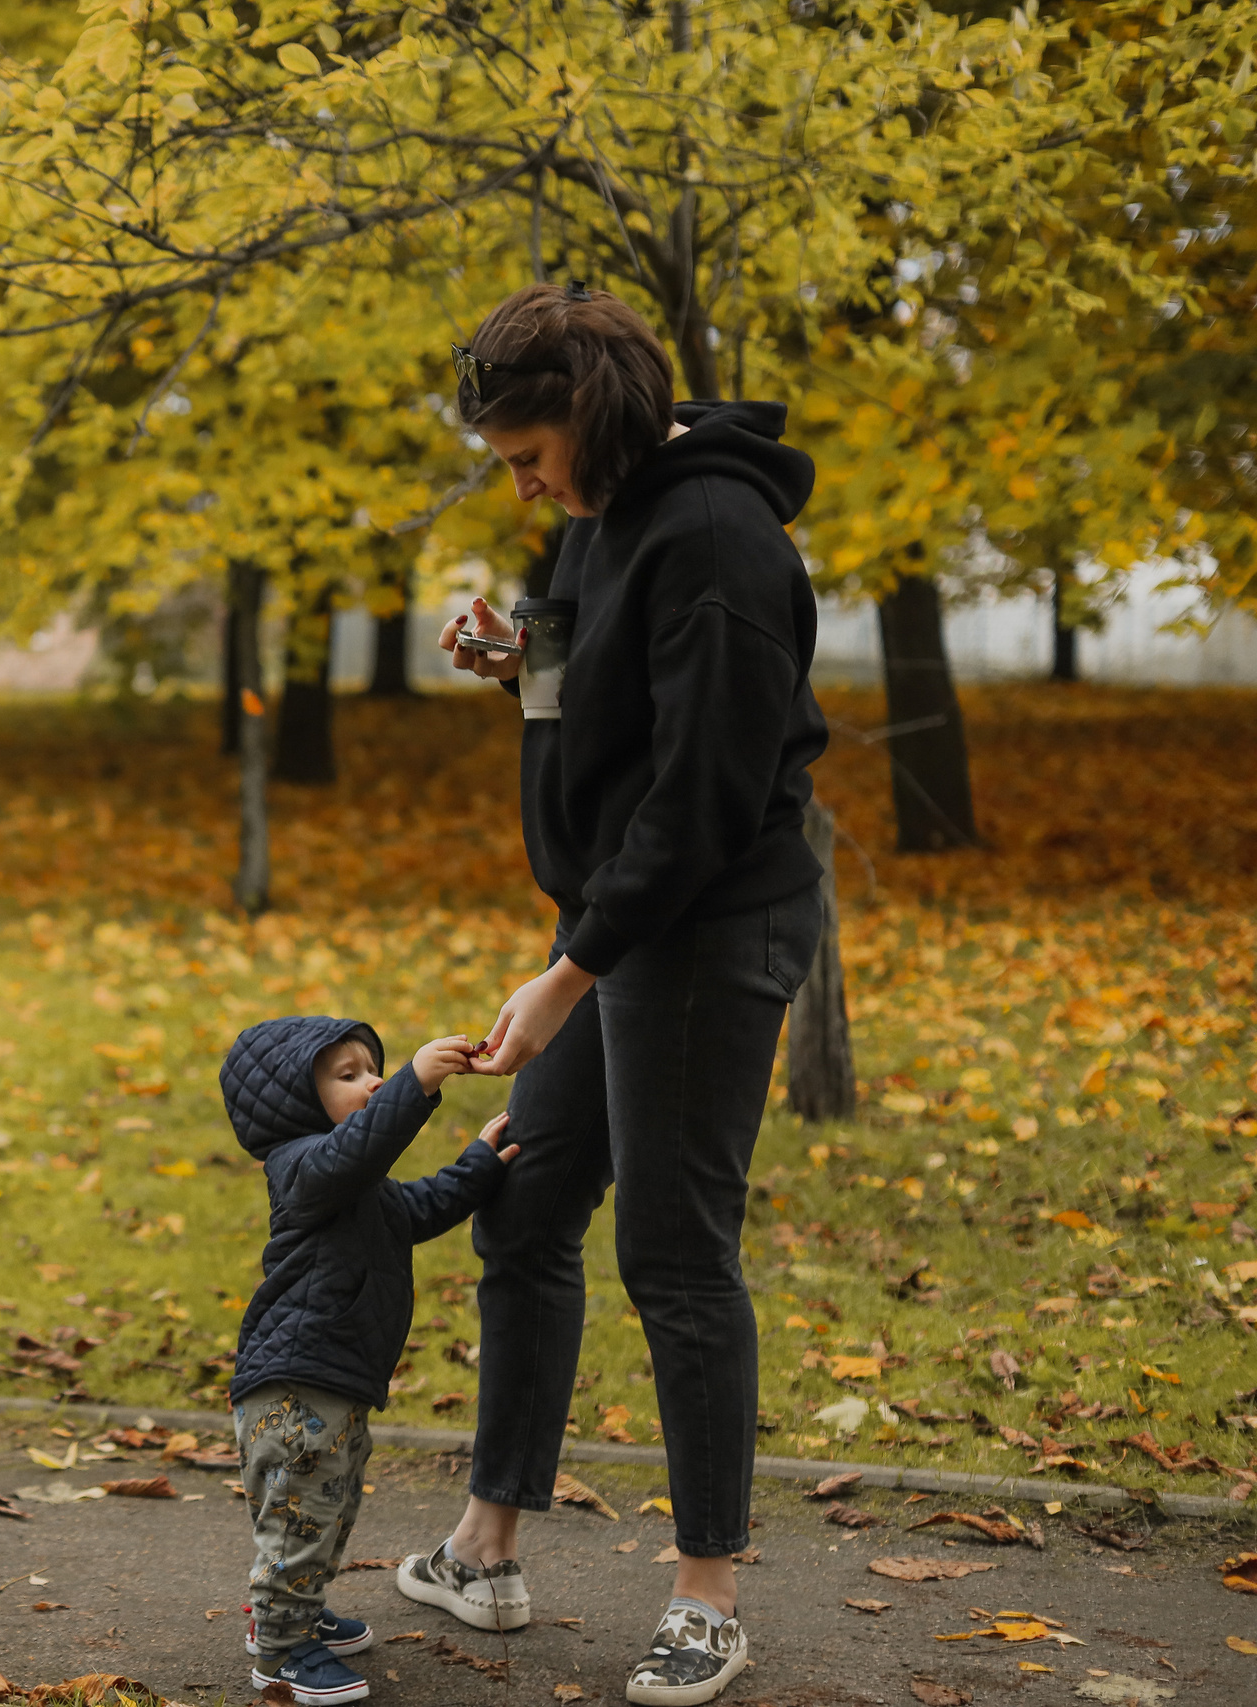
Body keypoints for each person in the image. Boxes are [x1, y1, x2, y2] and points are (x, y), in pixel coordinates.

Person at [396, 282, 828, 1707]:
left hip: (704, 923)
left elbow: (705, 792)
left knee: (674, 1249)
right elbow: (599, 702)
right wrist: (518, 663)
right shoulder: (603, 518)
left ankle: (708, 1598)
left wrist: (570, 968)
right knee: (523, 1206)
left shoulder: (719, 538)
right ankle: (487, 1543)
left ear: (592, 408)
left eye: (531, 456)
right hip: (615, 920)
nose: (526, 487)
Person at [220, 1017, 518, 1707]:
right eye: (348, 1074)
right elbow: (358, 1148)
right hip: (294, 1385)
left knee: (330, 1506)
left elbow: (416, 1206)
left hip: (336, 1383)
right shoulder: (302, 1167)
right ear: (295, 1102)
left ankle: (299, 1606)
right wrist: (416, 1082)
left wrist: (477, 1164)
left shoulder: (358, 1188)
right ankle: (281, 1648)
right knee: (302, 1516)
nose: (372, 1081)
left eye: (375, 1069)